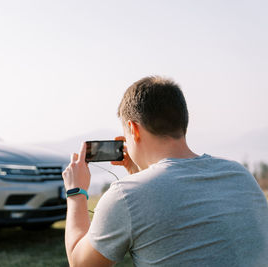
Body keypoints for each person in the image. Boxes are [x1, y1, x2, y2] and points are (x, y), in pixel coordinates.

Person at [62, 76, 268, 266]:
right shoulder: (238, 174)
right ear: (182, 122)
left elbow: (81, 263)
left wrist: (76, 192)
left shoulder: (125, 196)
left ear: (133, 129)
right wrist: (139, 175)